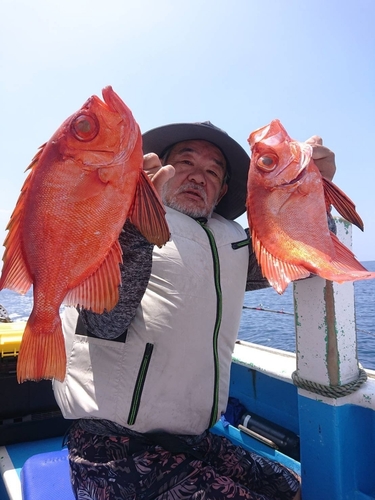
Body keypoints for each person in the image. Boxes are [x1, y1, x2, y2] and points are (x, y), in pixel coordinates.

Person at [53, 121, 336, 500]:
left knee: (294, 488)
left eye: (212, 171)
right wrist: (136, 227)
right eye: (185, 162)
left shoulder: (232, 242)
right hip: (111, 450)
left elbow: (303, 256)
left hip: (194, 439)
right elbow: (103, 322)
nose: (198, 177)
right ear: (156, 168)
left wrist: (317, 190)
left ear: (222, 193)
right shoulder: (113, 223)